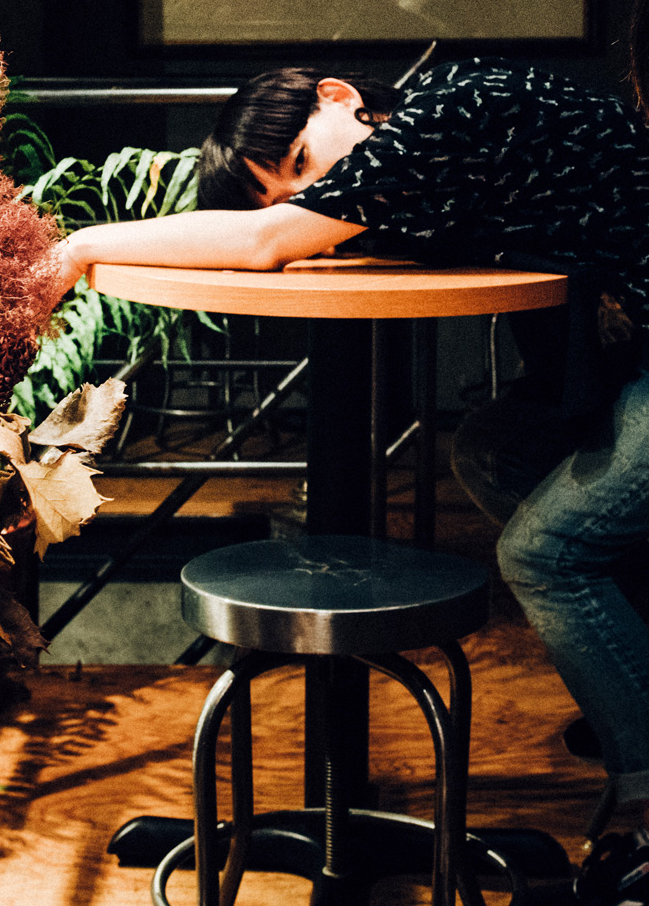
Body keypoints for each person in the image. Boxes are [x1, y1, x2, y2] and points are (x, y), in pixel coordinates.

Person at [48, 59, 649, 903]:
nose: (311, 190)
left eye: (300, 160)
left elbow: (264, 242)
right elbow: (279, 232)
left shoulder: (440, 116)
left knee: (547, 553)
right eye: (286, 188)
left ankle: (646, 810)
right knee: (492, 450)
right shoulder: (409, 159)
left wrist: (78, 245)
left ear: (338, 95)